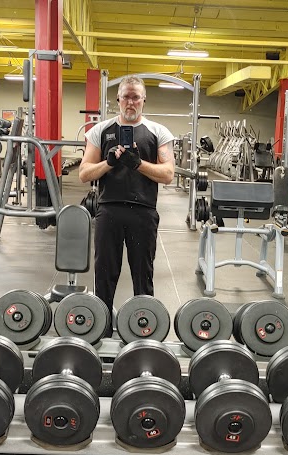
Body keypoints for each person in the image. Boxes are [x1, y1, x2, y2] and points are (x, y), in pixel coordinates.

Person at [79, 75, 175, 336]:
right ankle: (101, 332)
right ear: (118, 99)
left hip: (143, 213)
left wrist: (138, 164)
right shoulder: (100, 131)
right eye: (126, 97)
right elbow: (84, 174)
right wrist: (109, 163)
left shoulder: (158, 132)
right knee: (104, 275)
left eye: (136, 97)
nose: (130, 102)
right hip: (108, 210)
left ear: (143, 100)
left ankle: (143, 333)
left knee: (143, 276)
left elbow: (168, 174)